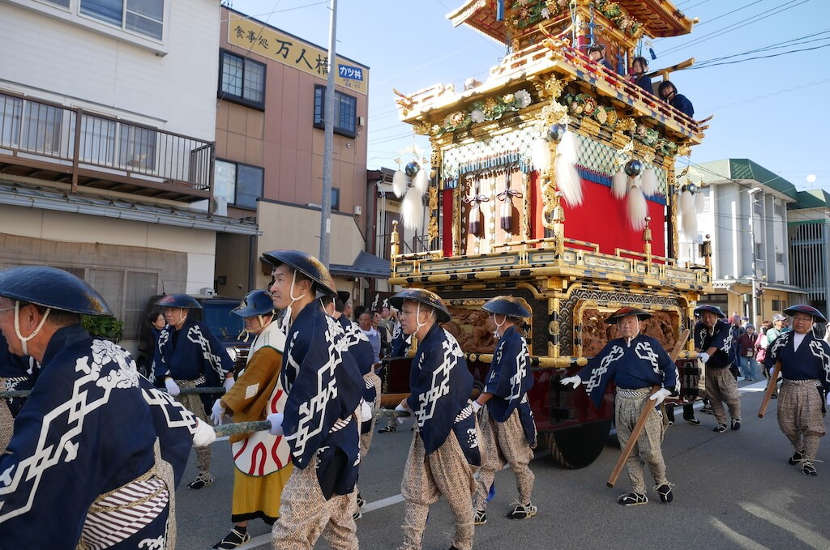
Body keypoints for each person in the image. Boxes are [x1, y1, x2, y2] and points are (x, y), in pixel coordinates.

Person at [0, 266, 214, 546]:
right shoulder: (103, 350)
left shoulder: (65, 378)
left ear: (30, 317)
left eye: (2, 312)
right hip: (145, 507)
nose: (0, 325)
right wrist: (189, 422)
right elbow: (146, 391)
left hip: (120, 523)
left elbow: (25, 479)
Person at [263, 249, 363, 550]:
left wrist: (290, 422)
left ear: (303, 286)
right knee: (340, 527)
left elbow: (316, 394)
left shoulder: (311, 329)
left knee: (289, 534)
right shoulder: (315, 323)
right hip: (342, 437)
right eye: (272, 280)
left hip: (326, 445)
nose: (273, 287)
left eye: (280, 279)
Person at [391, 288, 480, 550]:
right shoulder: (433, 340)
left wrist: (408, 403)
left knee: (458, 494)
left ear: (427, 314)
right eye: (402, 312)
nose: (401, 317)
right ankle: (411, 544)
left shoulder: (439, 345)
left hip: (448, 428)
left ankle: (463, 544)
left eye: (407, 312)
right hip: (430, 424)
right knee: (415, 489)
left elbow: (437, 391)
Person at [561, 307, 678, 506]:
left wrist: (665, 391)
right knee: (628, 451)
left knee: (650, 451)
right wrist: (579, 378)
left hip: (646, 401)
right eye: (622, 323)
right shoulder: (614, 347)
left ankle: (661, 482)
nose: (626, 325)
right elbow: (597, 364)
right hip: (622, 402)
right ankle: (638, 491)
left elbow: (669, 367)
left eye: (630, 322)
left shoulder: (651, 345)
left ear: (640, 324)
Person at [210, 290, 293, 549]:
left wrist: (225, 402)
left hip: (269, 420)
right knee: (265, 473)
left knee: (259, 473)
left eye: (252, 316)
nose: (246, 321)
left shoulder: (271, 344)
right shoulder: (266, 336)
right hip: (270, 419)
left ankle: (261, 527)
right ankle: (255, 525)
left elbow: (251, 381)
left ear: (267, 316)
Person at [154, 293, 236, 489]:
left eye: (172, 310)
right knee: (166, 431)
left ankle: (204, 472)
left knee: (199, 431)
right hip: (172, 389)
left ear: (184, 311)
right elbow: (158, 360)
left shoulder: (199, 330)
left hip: (195, 388)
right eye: (167, 310)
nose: (168, 314)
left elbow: (217, 351)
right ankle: (165, 472)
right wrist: (166, 378)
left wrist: (229, 376)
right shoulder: (164, 334)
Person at [472, 296, 537, 525]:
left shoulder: (515, 341)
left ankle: (526, 503)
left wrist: (478, 402)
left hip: (510, 409)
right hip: (495, 407)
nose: (488, 320)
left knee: (518, 461)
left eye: (491, 315)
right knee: (488, 461)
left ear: (501, 318)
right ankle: (478, 508)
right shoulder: (505, 340)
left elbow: (502, 379)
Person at [323, 292, 381, 520]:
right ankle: (353, 496)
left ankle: (351, 502)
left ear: (329, 308)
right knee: (350, 446)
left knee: (351, 446)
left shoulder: (337, 329)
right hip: (361, 382)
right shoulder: (346, 327)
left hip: (358, 386)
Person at [764, 305, 830, 476]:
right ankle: (799, 449)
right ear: (792, 320)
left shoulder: (821, 345)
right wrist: (771, 370)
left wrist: (829, 391)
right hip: (787, 386)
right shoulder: (782, 340)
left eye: (805, 319)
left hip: (811, 388)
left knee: (811, 427)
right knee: (786, 424)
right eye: (797, 318)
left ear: (812, 322)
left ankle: (808, 460)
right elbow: (769, 356)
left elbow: (828, 368)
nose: (800, 321)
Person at [694, 304, 742, 432]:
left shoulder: (726, 327)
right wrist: (696, 354)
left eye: (710, 316)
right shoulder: (699, 326)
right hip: (707, 367)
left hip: (725, 367)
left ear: (716, 316)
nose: (707, 319)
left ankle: (736, 417)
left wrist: (706, 354)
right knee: (713, 398)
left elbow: (718, 342)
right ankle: (722, 423)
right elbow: (697, 344)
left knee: (731, 396)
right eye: (704, 316)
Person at [137, 308, 165, 378]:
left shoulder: (166, 332)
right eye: (160, 320)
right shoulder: (151, 333)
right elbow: (152, 348)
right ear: (154, 323)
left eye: (164, 319)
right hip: (154, 361)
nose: (163, 321)